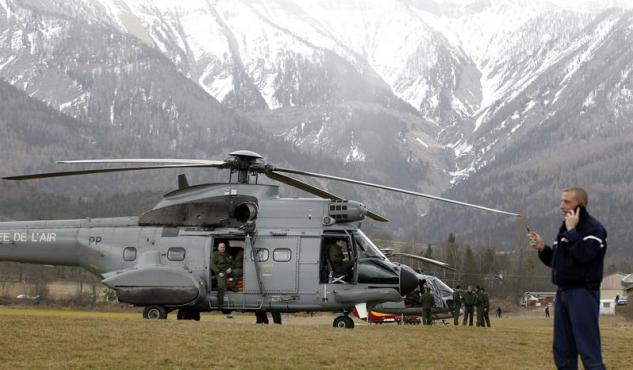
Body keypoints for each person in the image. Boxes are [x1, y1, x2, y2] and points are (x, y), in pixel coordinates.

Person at [529, 187, 607, 370]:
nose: (561, 206)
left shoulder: (594, 229)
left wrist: (572, 232)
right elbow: (559, 263)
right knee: (563, 350)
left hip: (583, 293)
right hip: (563, 293)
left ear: (580, 204)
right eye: (561, 201)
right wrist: (542, 248)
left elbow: (585, 255)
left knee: (588, 348)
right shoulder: (564, 228)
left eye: (566, 202)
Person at [211, 243, 234, 308]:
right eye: (221, 247)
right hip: (219, 272)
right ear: (218, 248)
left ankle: (233, 287)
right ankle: (220, 304)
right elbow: (212, 264)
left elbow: (232, 262)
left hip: (227, 270)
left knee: (237, 273)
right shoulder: (215, 254)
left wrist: (230, 268)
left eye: (223, 247)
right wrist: (218, 272)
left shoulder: (227, 254)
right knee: (221, 286)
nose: (222, 248)